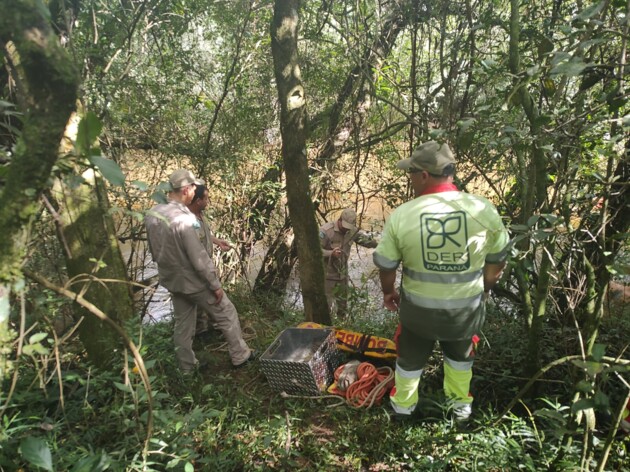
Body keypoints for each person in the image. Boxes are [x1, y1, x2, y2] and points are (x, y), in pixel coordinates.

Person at [373, 141, 509, 422]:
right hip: (464, 313)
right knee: (460, 362)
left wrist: (388, 293)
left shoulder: (403, 214)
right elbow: (498, 259)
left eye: (410, 172)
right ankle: (459, 412)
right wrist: (485, 288)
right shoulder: (482, 209)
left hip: (417, 314)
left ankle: (402, 411)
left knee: (409, 362)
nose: (409, 178)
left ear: (423, 175)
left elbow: (386, 264)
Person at [145, 169, 255, 373]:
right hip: (193, 281)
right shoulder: (183, 219)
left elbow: (155, 248)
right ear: (186, 190)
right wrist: (215, 285)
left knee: (183, 323)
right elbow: (199, 259)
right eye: (193, 189)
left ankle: (187, 367)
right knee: (226, 312)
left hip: (172, 279)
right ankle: (240, 355)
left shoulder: (153, 213)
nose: (195, 192)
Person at [186, 184, 235, 338]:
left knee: (211, 296)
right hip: (197, 266)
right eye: (206, 198)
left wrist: (217, 241)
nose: (208, 201)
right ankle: (201, 332)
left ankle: (212, 326)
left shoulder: (200, 215)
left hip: (206, 263)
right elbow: (193, 246)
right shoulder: (187, 220)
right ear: (198, 200)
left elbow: (204, 236)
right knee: (209, 296)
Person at [319, 208, 377, 319]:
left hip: (342, 276)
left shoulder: (352, 231)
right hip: (327, 277)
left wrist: (383, 243)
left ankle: (341, 327)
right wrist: (331, 253)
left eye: (348, 228)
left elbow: (366, 241)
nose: (346, 230)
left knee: (343, 308)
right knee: (326, 308)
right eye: (344, 227)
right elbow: (316, 250)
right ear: (339, 220)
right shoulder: (326, 231)